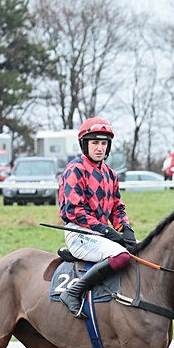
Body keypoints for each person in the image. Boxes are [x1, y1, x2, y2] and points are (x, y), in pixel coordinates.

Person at [58, 116, 137, 319]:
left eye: (103, 143)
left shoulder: (111, 174)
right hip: (79, 233)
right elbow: (73, 210)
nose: (100, 148)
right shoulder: (75, 169)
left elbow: (117, 208)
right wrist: (105, 230)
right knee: (121, 256)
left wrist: (125, 228)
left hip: (101, 236)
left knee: (140, 250)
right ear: (85, 145)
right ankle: (72, 293)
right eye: (95, 143)